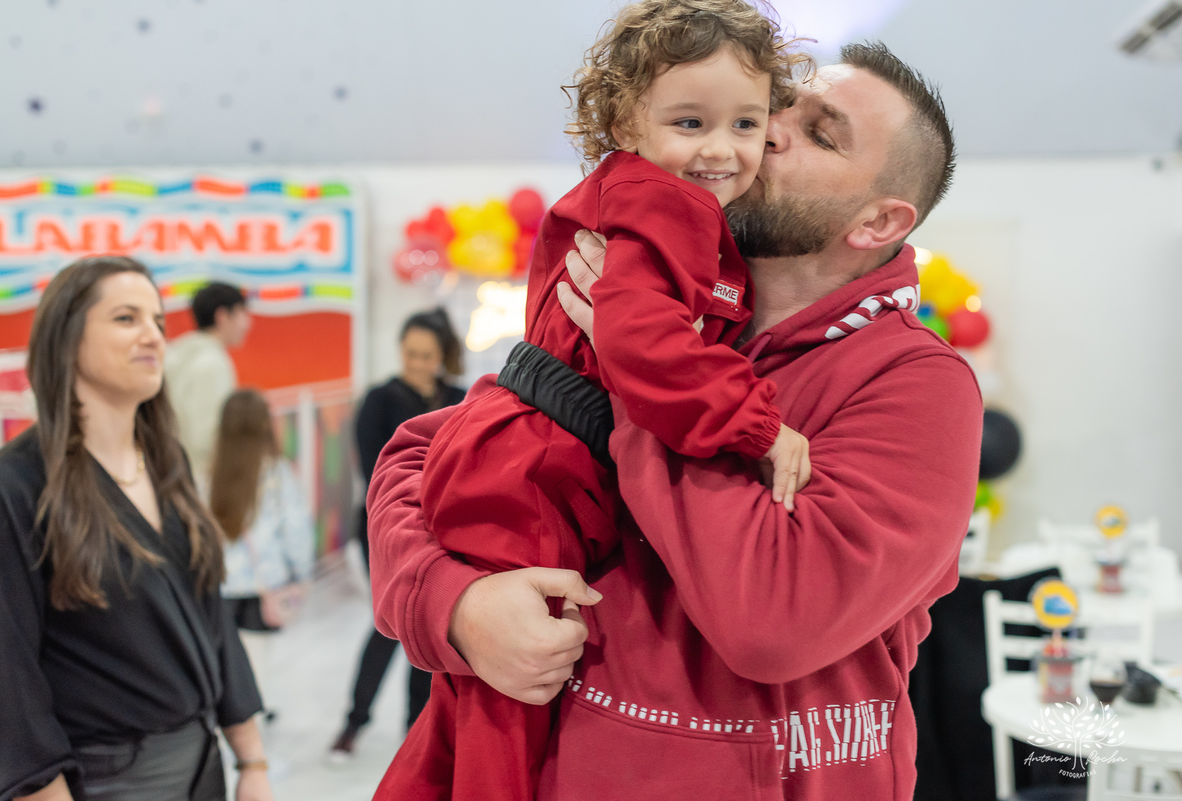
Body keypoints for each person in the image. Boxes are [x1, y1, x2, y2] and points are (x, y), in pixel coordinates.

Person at [368, 41, 982, 801]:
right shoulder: (660, 292)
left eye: (820, 132)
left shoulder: (918, 383)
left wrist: (645, 373)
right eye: (780, 107)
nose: (768, 130)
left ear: (878, 220)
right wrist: (453, 606)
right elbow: (424, 452)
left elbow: (773, 615)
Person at [394, 2, 810, 798]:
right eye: (690, 122)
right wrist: (760, 425)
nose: (721, 149)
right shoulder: (671, 204)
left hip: (527, 450)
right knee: (508, 710)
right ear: (626, 119)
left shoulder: (640, 198)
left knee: (481, 706)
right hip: (537, 464)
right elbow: (643, 346)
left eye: (746, 124)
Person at [0, 256, 272, 801]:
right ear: (67, 339)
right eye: (126, 318)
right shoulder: (12, 486)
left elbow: (210, 614)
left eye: (158, 321)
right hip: (103, 781)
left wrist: (251, 760)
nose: (153, 336)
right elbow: (4, 679)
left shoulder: (166, 463)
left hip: (201, 767)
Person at [328, 308, 467, 762]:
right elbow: (374, 472)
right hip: (385, 527)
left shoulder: (460, 398)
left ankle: (417, 728)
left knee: (428, 626)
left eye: (427, 355)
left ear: (442, 355)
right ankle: (354, 721)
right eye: (411, 354)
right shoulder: (380, 399)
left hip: (444, 530)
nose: (418, 363)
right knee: (389, 625)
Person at [213, 389, 316, 721]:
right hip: (263, 587)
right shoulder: (276, 473)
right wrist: (302, 574)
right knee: (254, 672)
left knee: (224, 669)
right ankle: (251, 754)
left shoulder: (208, 473)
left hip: (219, 588)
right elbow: (296, 530)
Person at [164, 280, 252, 491]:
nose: (247, 323)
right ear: (222, 316)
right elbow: (207, 438)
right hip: (200, 483)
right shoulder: (212, 364)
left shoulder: (177, 355)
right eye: (242, 313)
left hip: (172, 476)